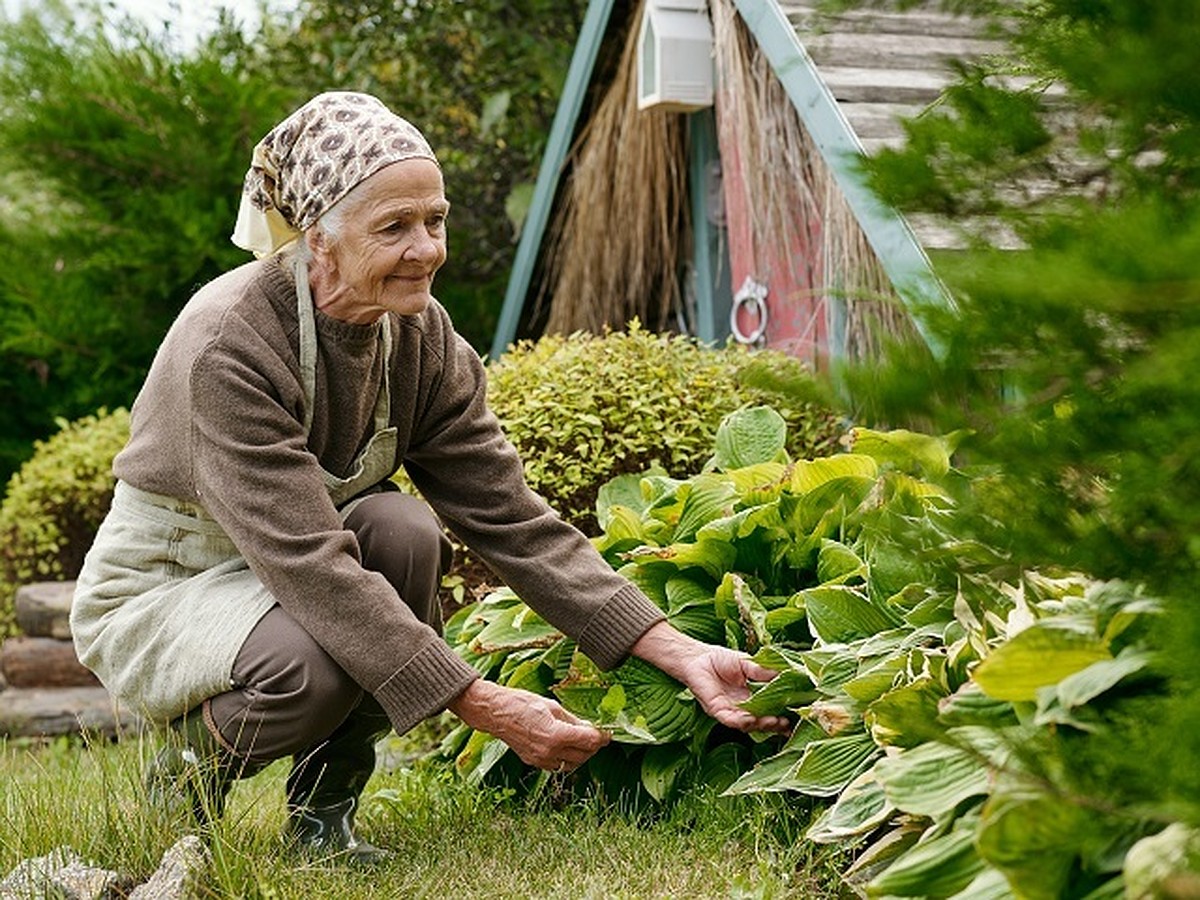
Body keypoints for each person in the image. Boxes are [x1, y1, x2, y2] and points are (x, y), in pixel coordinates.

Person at [70, 91, 787, 863]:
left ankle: (323, 821)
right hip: (169, 579)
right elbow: (312, 565)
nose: (427, 249)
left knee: (403, 530)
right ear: (320, 240)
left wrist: (679, 652)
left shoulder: (419, 336)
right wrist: (485, 706)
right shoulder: (228, 345)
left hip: (293, 568)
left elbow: (511, 517)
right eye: (394, 227)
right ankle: (180, 780)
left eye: (434, 220)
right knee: (308, 669)